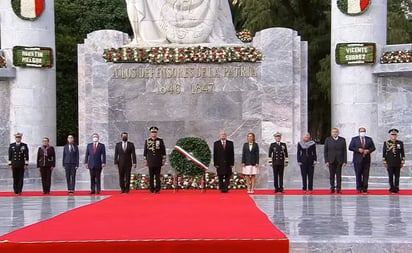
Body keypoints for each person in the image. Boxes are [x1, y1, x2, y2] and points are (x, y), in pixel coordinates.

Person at [349, 127, 376, 194]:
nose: (362, 132)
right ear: (359, 132)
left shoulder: (369, 139)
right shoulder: (354, 139)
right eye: (361, 131)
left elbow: (373, 148)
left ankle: (365, 188)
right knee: (358, 174)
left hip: (366, 159)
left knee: (366, 174)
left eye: (363, 131)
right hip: (357, 160)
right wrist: (358, 149)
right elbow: (350, 147)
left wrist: (368, 151)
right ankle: (359, 188)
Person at [143, 126, 166, 193]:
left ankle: (157, 189)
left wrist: (163, 159)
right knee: (151, 176)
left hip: (158, 160)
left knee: (158, 176)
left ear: (157, 133)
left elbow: (163, 150)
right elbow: (145, 151)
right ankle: (151, 189)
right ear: (150, 133)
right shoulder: (147, 141)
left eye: (155, 132)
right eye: (152, 132)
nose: (154, 134)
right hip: (150, 160)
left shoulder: (160, 140)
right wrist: (145, 160)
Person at [324, 128, 347, 194]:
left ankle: (339, 188)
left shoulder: (342, 140)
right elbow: (325, 151)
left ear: (338, 133)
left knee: (339, 175)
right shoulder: (328, 140)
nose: (335, 133)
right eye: (333, 132)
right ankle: (332, 188)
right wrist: (326, 161)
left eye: (336, 132)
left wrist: (345, 161)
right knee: (331, 175)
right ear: (331, 133)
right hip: (331, 160)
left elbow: (344, 151)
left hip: (339, 160)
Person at [383, 129, 405, 194]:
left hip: (397, 162)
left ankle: (396, 187)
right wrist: (384, 161)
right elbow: (384, 153)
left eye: (395, 135)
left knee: (397, 176)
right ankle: (391, 188)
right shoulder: (386, 143)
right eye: (392, 135)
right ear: (390, 136)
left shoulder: (400, 143)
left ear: (397, 135)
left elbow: (402, 152)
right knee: (390, 176)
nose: (394, 136)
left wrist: (403, 161)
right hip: (389, 162)